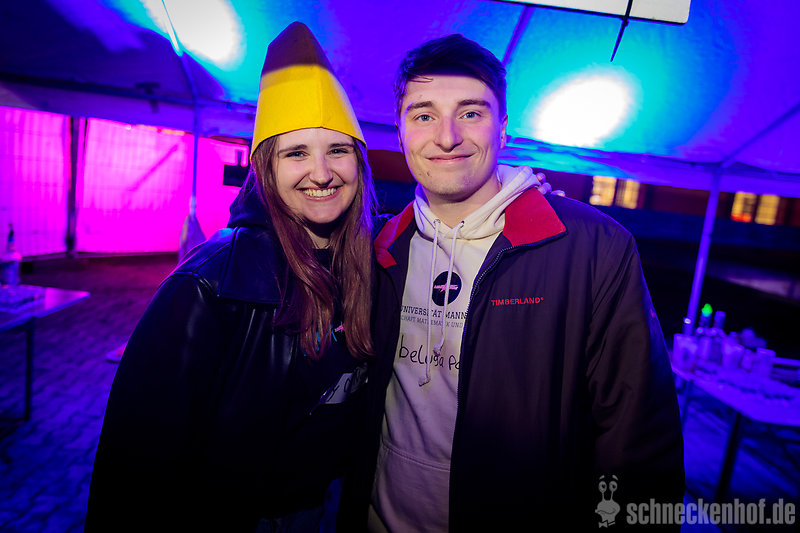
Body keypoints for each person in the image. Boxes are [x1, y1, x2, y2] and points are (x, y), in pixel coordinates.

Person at [338, 34, 684, 531]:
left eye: (470, 113)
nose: (447, 137)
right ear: (400, 131)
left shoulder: (592, 248)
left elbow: (638, 439)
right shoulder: (379, 248)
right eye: (424, 115)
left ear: (502, 127)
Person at [86, 22, 377, 532]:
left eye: (337, 150)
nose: (321, 172)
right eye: (296, 153)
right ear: (265, 168)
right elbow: (135, 468)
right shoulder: (207, 286)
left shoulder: (366, 266)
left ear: (359, 161)